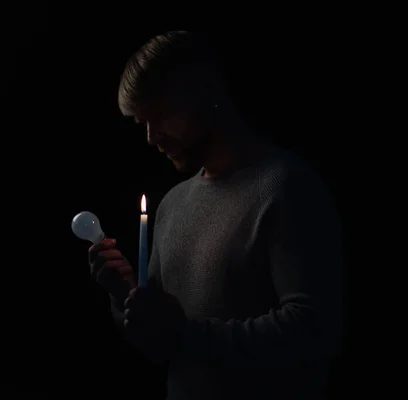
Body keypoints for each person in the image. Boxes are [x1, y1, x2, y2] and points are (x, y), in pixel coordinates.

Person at [88, 31, 344, 400]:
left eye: (159, 115)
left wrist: (186, 335)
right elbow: (158, 345)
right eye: (141, 122)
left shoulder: (286, 188)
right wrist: (123, 295)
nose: (150, 137)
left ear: (206, 94)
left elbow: (314, 330)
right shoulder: (173, 205)